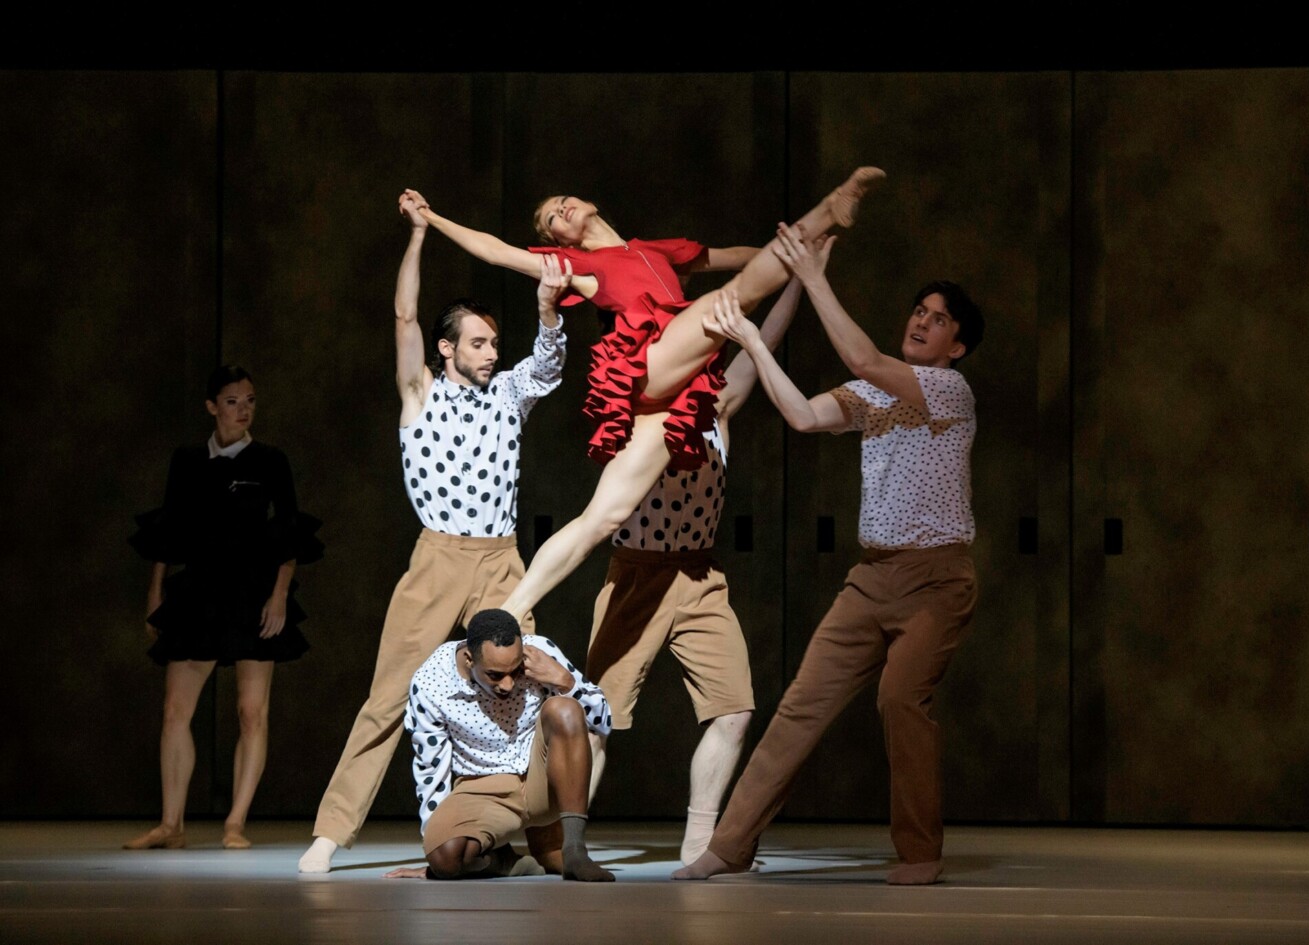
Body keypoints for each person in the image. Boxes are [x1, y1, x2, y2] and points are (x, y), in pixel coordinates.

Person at [402, 165, 884, 626]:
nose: (563, 210)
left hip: (675, 396)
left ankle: (506, 613)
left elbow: (735, 257)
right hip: (646, 369)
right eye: (553, 218)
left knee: (601, 517)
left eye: (565, 202)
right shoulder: (580, 264)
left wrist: (793, 254)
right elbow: (496, 251)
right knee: (727, 303)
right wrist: (433, 218)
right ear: (558, 242)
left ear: (590, 203)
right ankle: (830, 206)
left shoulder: (656, 250)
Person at [673, 226, 984, 886]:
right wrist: (755, 342)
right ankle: (729, 846)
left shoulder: (949, 392)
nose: (922, 323)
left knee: (900, 697)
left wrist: (814, 278)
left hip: (935, 579)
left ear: (956, 346)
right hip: (871, 579)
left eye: (937, 321)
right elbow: (806, 416)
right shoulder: (875, 396)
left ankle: (920, 852)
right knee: (799, 707)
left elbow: (869, 360)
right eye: (918, 312)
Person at [297, 193, 570, 873]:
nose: (489, 352)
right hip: (437, 557)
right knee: (390, 692)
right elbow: (404, 315)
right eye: (477, 342)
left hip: (502, 563)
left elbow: (549, 362)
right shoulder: (419, 393)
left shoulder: (509, 392)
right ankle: (331, 832)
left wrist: (545, 310)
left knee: (530, 688)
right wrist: (419, 236)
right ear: (448, 349)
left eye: (493, 343)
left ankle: (540, 837)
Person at [587, 277, 805, 865]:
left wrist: (801, 281)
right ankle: (564, 843)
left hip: (700, 576)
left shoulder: (715, 406)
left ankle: (700, 843)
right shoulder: (638, 408)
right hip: (637, 574)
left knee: (734, 711)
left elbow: (759, 343)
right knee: (595, 716)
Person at [125, 365, 323, 851]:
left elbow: (291, 531)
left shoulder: (270, 460)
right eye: (233, 401)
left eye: (250, 400)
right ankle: (171, 823)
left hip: (254, 594)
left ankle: (235, 821)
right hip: (198, 593)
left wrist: (279, 594)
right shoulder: (187, 460)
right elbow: (167, 531)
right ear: (213, 406)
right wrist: (156, 592)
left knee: (251, 710)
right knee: (176, 709)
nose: (244, 409)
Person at [384, 609, 615, 882]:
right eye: (495, 675)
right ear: (469, 659)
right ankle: (505, 860)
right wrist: (436, 841)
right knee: (445, 859)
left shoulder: (539, 651)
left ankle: (576, 852)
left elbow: (604, 722)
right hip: (483, 788)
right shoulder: (431, 682)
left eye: (515, 671)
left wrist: (564, 680)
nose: (508, 683)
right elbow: (430, 769)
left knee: (564, 709)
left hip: (543, 779)